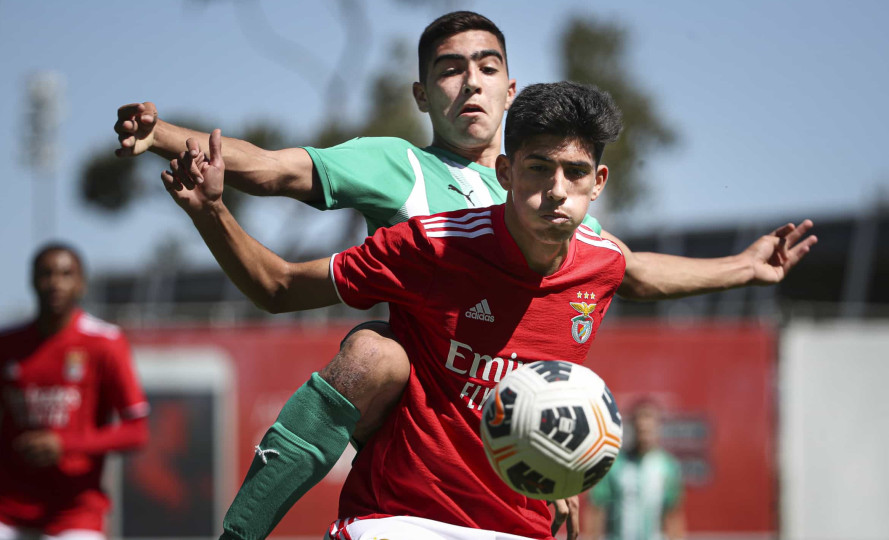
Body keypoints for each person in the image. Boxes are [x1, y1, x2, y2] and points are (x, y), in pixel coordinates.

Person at [116, 12, 816, 538]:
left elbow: (630, 270)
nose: (471, 80)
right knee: (374, 353)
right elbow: (270, 168)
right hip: (414, 425)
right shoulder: (402, 170)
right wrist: (165, 136)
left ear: (512, 87)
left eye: (486, 66)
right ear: (422, 93)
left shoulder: (555, 198)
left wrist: (743, 267)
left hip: (503, 453)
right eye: (451, 68)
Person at [165, 78, 631, 540]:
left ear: (598, 183)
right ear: (505, 172)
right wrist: (212, 212)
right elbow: (279, 288)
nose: (556, 189)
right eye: (538, 168)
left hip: (521, 528)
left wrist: (559, 466)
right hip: (401, 519)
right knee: (371, 353)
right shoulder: (433, 245)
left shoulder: (604, 266)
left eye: (575, 172)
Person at [0, 244, 150, 540]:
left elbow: (137, 431)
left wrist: (64, 444)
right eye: (46, 273)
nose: (55, 282)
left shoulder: (105, 342)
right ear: (32, 280)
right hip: (9, 507)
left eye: (66, 274)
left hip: (76, 511)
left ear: (81, 283)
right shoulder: (8, 344)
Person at [588, 399, 685, 540]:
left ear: (658, 425)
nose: (644, 426)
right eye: (639, 422)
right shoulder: (615, 463)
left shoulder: (667, 466)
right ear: (633, 426)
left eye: (649, 420)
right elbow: (597, 509)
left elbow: (673, 514)